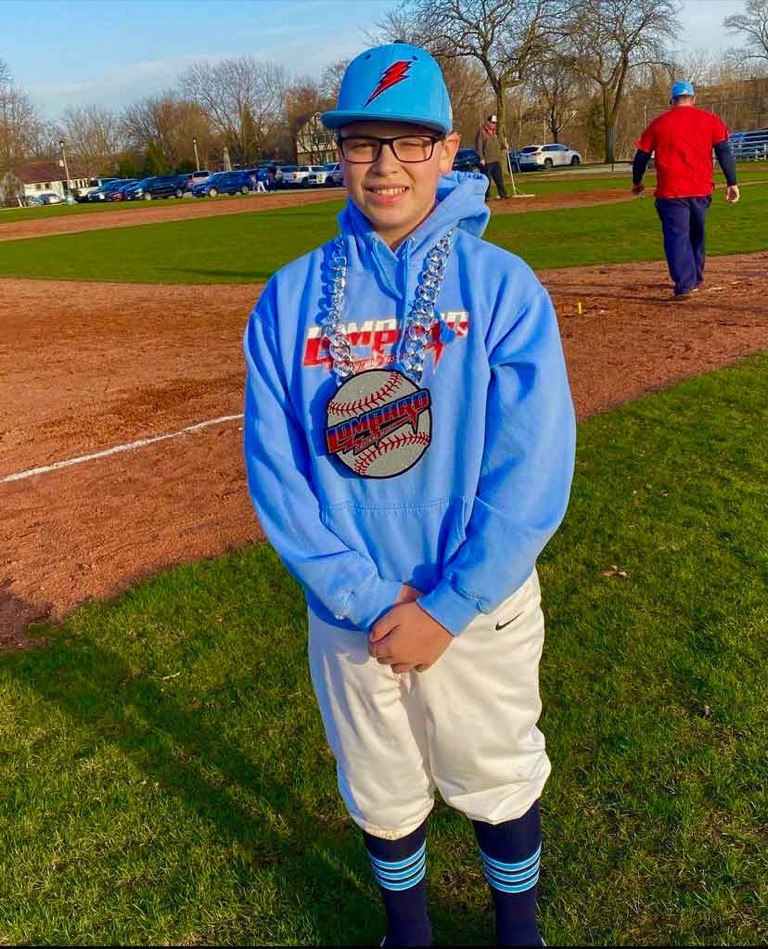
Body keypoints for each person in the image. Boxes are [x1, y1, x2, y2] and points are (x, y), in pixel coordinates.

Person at [243, 42, 575, 948]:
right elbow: (276, 473)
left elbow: (534, 464)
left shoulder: (500, 286)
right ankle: (410, 933)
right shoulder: (287, 299)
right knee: (382, 785)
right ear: (338, 152)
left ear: (450, 147)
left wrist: (453, 600)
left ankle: (519, 932)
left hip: (477, 601)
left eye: (411, 141)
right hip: (351, 604)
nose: (386, 165)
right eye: (362, 143)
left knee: (495, 771)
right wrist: (361, 593)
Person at [632, 80, 740, 300]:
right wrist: (732, 182)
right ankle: (695, 276)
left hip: (671, 191)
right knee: (696, 232)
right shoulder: (710, 120)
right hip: (701, 189)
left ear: (672, 101)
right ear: (693, 98)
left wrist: (637, 181)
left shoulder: (659, 123)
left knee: (676, 236)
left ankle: (684, 283)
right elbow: (724, 152)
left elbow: (641, 155)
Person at [475, 113, 509, 200]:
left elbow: (498, 144)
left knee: (499, 178)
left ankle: (503, 194)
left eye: (495, 123)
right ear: (488, 122)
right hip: (487, 160)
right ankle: (486, 196)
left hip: (496, 159)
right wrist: (481, 158)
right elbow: (479, 146)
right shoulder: (482, 132)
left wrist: (504, 145)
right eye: (492, 122)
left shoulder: (495, 133)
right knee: (487, 180)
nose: (493, 124)